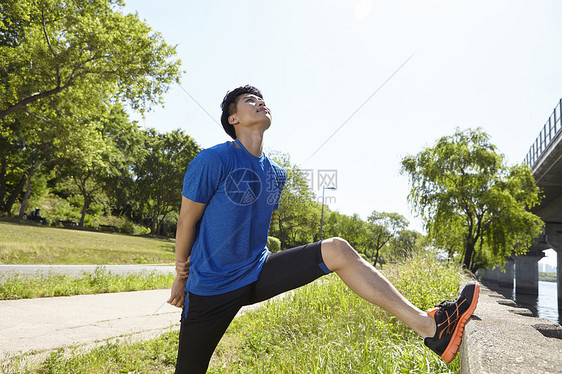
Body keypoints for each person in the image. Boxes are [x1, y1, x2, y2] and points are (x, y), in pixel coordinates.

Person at [168, 85, 480, 373]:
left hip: (257, 272)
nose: (261, 102)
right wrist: (181, 277)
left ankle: (431, 327)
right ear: (232, 118)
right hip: (211, 287)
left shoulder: (276, 174)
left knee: (338, 249)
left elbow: (253, 230)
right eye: (250, 100)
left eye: (262, 98)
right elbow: (187, 221)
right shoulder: (213, 159)